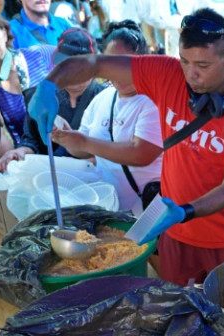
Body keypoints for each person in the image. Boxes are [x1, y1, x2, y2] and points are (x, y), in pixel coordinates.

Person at [28, 7, 224, 286]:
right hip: (175, 238)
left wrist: (186, 211)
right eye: (185, 61)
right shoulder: (167, 73)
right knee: (178, 316)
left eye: (203, 66)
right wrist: (48, 84)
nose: (191, 74)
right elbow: (93, 63)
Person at [48, 20, 162, 216]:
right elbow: (81, 151)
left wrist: (83, 142)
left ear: (144, 60)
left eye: (127, 63)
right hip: (107, 210)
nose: (119, 72)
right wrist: (66, 137)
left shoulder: (156, 101)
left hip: (148, 212)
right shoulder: (103, 99)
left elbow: (141, 154)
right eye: (111, 64)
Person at [0, 26, 104, 169]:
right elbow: (31, 141)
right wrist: (21, 151)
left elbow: (115, 151)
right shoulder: (40, 98)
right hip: (50, 177)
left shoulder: (107, 99)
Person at [0, 7, 55, 144]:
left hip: (61, 143)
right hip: (19, 155)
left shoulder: (40, 55)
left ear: (5, 33)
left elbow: (82, 63)